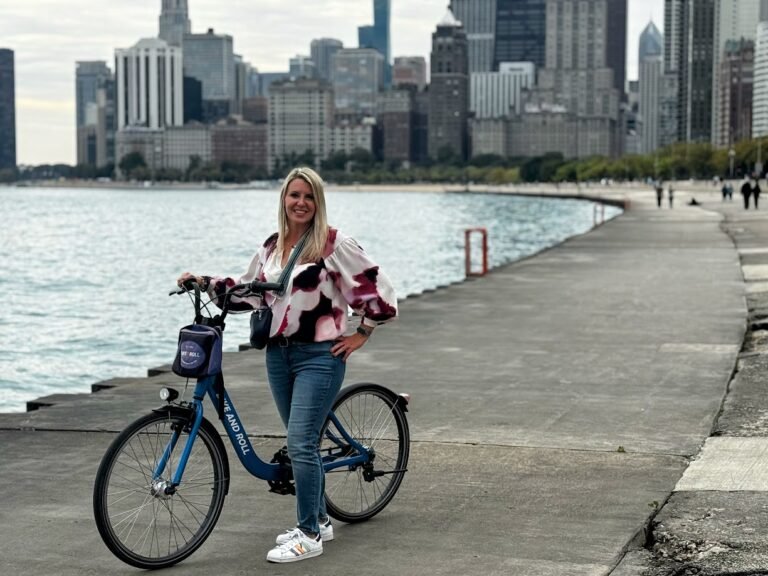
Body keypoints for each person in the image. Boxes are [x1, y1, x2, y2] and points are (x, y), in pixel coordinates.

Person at [177, 167, 398, 563]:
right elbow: (249, 292)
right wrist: (204, 281)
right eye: (294, 195)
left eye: (308, 197)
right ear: (283, 199)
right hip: (278, 355)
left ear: (318, 203)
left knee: (300, 443)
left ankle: (309, 534)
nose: (300, 203)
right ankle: (321, 519)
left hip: (320, 356)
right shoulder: (271, 247)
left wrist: (362, 333)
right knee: (303, 442)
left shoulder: (332, 244)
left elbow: (379, 291)